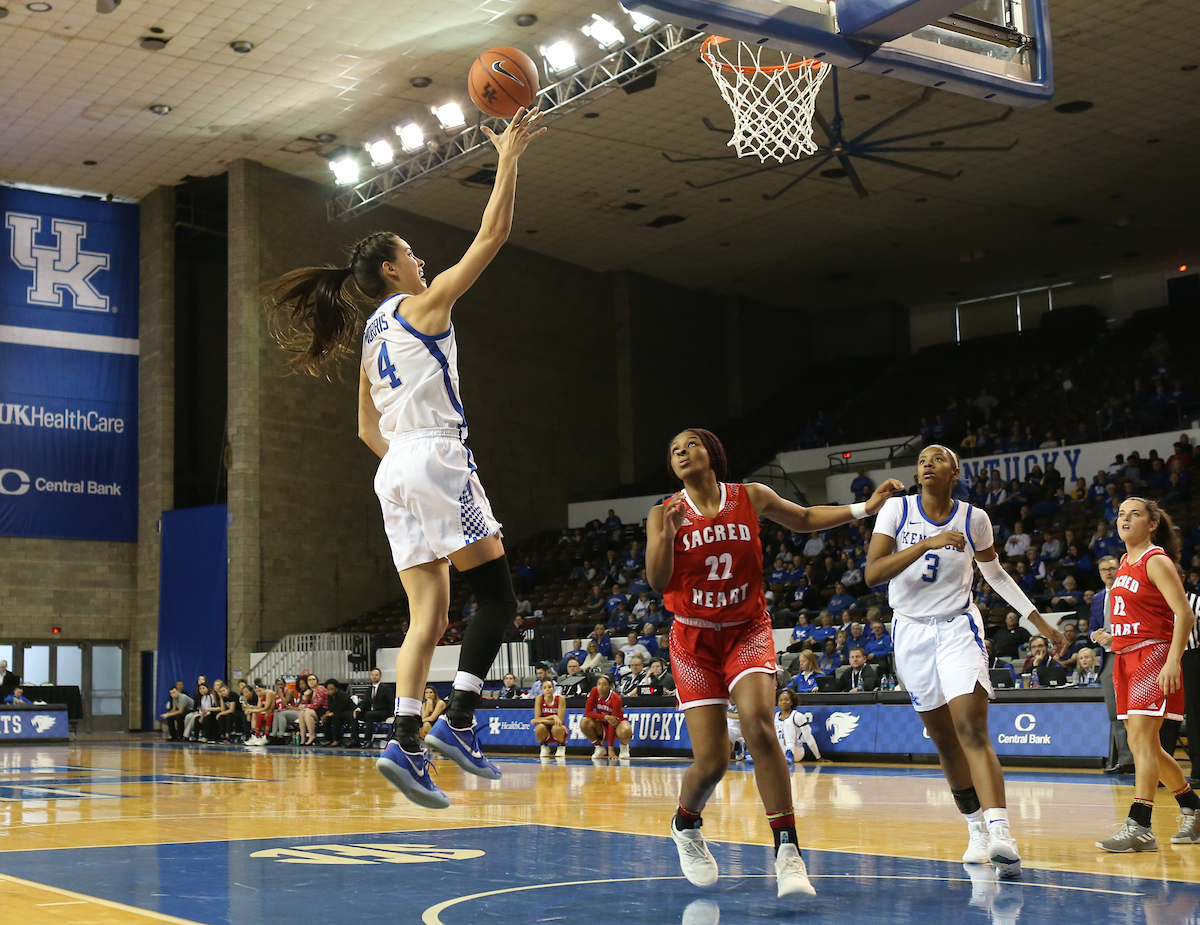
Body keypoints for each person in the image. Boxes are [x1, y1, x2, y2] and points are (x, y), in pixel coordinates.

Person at [266, 109, 545, 807]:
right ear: (393, 268)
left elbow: (365, 429)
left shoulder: (370, 335)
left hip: (390, 469)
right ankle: (458, 721)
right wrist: (509, 156)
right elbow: (494, 235)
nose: (423, 261)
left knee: (431, 613)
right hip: (431, 456)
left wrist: (411, 470)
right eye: (413, 253)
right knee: (499, 595)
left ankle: (404, 738)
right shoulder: (423, 308)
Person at [648, 427, 904, 899]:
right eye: (674, 450)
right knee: (713, 760)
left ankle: (788, 851)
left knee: (760, 726)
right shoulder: (665, 512)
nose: (682, 453)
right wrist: (664, 538)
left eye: (691, 445)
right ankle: (685, 824)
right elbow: (657, 579)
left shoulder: (750, 496)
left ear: (712, 453)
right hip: (693, 640)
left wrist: (865, 509)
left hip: (746, 630)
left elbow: (805, 517)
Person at [866, 444, 1065, 879]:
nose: (927, 465)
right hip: (910, 631)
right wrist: (929, 544)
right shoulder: (897, 512)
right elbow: (873, 573)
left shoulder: (974, 518)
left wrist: (1039, 622)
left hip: (957, 628)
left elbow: (995, 574)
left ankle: (1001, 833)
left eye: (937, 459)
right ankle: (975, 829)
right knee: (944, 741)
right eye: (921, 460)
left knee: (971, 729)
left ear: (954, 471)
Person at [1095, 498, 1200, 852]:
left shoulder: (1155, 560)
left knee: (1141, 741)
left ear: (1152, 523)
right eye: (1121, 514)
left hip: (1154, 655)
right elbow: (1137, 613)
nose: (1124, 519)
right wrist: (1115, 636)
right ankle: (1193, 808)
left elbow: (1185, 615)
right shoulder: (1125, 562)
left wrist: (1173, 660)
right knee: (1148, 745)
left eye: (1134, 514)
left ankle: (1139, 824)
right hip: (1125, 656)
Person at [581, 674, 632, 759]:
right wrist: (605, 717)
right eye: (599, 684)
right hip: (602, 723)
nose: (601, 687)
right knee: (584, 722)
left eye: (604, 684)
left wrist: (611, 750)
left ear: (610, 686)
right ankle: (599, 747)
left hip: (617, 723)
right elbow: (588, 712)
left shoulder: (616, 699)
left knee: (625, 730)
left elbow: (612, 723)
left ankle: (624, 746)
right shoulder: (594, 691)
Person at [775, 690, 823, 764]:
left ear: (792, 702)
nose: (783, 702)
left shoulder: (797, 716)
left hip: (796, 752)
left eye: (786, 700)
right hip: (779, 752)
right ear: (777, 703)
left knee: (787, 723)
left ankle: (789, 752)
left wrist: (818, 757)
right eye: (781, 700)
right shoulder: (775, 716)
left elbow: (808, 737)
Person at [533, 679, 567, 758]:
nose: (547, 689)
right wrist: (553, 716)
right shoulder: (539, 698)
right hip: (545, 726)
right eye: (544, 688)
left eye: (549, 687)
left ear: (553, 689)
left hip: (557, 726)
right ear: (542, 690)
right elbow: (537, 718)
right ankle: (544, 746)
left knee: (557, 727)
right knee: (539, 727)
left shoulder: (560, 699)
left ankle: (561, 746)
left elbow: (560, 721)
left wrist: (542, 720)